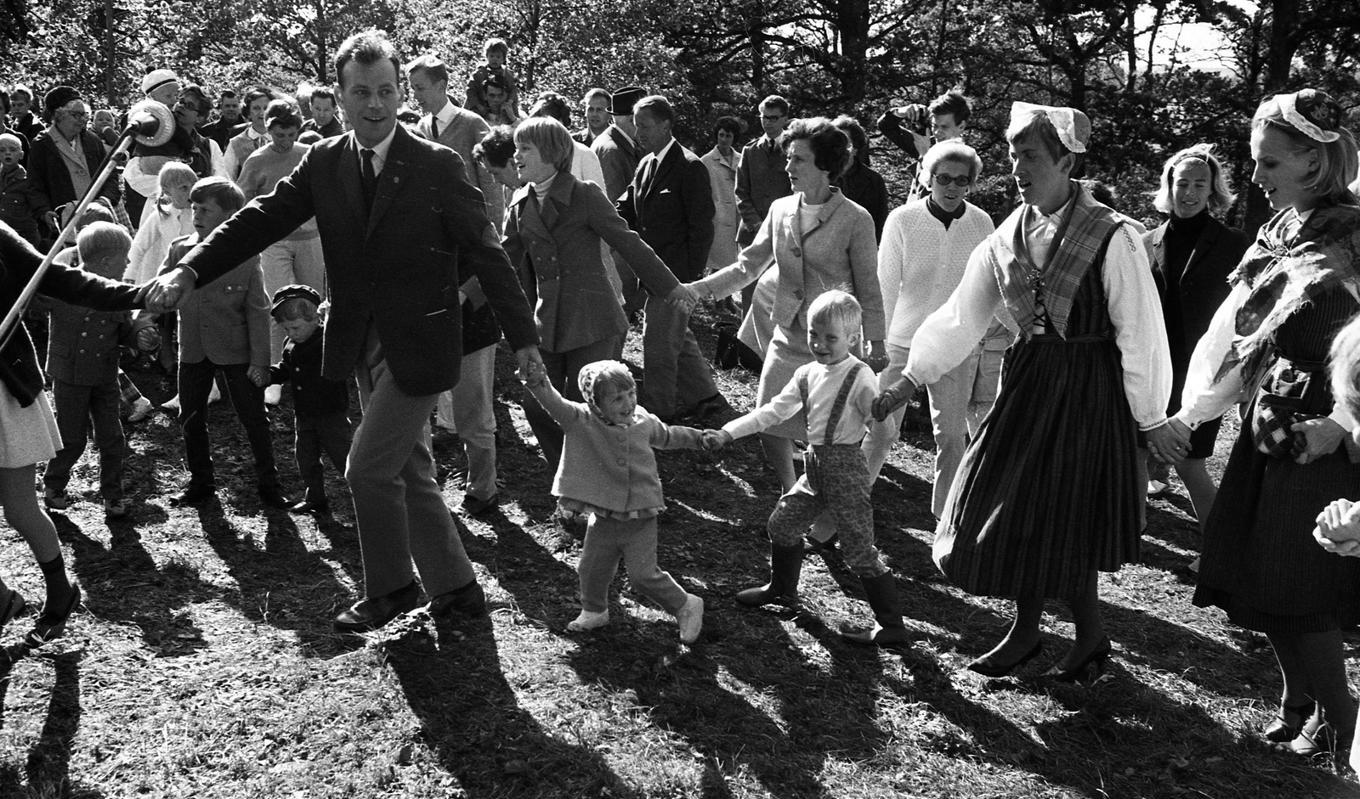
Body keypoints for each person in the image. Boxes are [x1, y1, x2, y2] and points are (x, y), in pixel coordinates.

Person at [146, 30, 541, 634]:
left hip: (425, 343)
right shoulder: (325, 161)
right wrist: (192, 267)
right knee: (408, 470)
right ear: (338, 95)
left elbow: (488, 253)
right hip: (358, 340)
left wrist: (527, 342)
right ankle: (459, 588)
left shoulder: (436, 163)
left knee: (366, 469)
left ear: (399, 89)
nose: (376, 104)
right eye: (362, 92)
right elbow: (261, 217)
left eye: (386, 90)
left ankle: (392, 587)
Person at [872, 102, 1173, 681]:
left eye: (1029, 156)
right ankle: (1030, 631)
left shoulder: (1113, 234)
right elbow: (961, 315)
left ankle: (1084, 638)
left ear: (1065, 159)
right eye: (1013, 156)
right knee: (1016, 505)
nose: (1017, 168)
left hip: (1089, 386)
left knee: (1066, 511)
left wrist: (1152, 415)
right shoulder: (1008, 233)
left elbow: (1140, 327)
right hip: (1030, 380)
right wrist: (910, 378)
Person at [1166, 89, 1360, 757]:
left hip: (1324, 443)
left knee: (1301, 587)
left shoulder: (1354, 233)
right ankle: (1299, 700)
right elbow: (1235, 333)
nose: (1255, 178)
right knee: (1255, 575)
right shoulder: (1279, 229)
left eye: (1270, 164)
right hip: (1268, 424)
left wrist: (1341, 421)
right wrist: (1193, 413)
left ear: (1313, 161)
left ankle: (1344, 724)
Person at [687, 117, 886, 493]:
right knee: (768, 418)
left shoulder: (856, 219)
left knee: (828, 432)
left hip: (835, 344)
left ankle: (817, 498)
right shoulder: (780, 209)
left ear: (825, 166)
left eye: (799, 160)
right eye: (788, 158)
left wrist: (876, 342)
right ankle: (789, 490)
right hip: (788, 333)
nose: (788, 167)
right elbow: (748, 266)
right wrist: (699, 289)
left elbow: (869, 287)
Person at [704, 289, 907, 644]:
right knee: (782, 525)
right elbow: (773, 411)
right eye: (814, 334)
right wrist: (728, 432)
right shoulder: (807, 373)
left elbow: (883, 429)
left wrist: (880, 413)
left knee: (859, 550)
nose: (820, 344)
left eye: (831, 337)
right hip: (815, 464)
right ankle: (782, 591)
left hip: (845, 468)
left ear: (853, 338)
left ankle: (891, 626)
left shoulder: (860, 375)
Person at [503, 117, 692, 468]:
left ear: (551, 152)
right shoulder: (519, 205)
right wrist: (463, 296)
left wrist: (671, 287)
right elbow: (500, 266)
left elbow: (628, 243)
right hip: (547, 323)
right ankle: (571, 478)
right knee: (538, 404)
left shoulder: (585, 194)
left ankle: (596, 485)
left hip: (593, 318)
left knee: (586, 406)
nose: (516, 155)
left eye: (524, 148)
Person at [0, 218, 147, 648]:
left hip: (5, 385)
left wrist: (132, 294)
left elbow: (54, 276)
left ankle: (60, 592)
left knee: (19, 506)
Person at [522, 358, 706, 643]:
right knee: (591, 568)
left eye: (631, 393)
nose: (628, 403)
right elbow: (553, 403)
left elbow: (669, 436)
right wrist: (536, 381)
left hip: (641, 515)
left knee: (642, 575)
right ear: (596, 403)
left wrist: (700, 438)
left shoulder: (644, 420)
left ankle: (685, 605)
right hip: (604, 516)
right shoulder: (580, 419)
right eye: (617, 398)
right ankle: (595, 611)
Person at [866, 140, 1000, 521]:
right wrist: (876, 341)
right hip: (900, 342)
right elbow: (885, 284)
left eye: (962, 180)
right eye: (944, 178)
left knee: (952, 438)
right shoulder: (903, 220)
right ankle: (847, 510)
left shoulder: (981, 223)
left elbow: (988, 287)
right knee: (881, 429)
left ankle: (945, 522)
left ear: (971, 183)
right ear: (928, 178)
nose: (952, 187)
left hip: (954, 345)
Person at [156, 177, 287, 509]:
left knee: (253, 418)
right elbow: (161, 292)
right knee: (191, 417)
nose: (197, 215)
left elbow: (259, 311)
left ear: (231, 216)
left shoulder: (244, 256)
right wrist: (161, 338)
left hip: (236, 350)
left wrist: (261, 362)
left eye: (206, 209)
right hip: (194, 349)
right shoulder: (180, 249)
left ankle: (269, 485)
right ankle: (201, 482)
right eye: (195, 207)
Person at [1143, 145, 1251, 532]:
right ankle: (1126, 533)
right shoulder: (1145, 241)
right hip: (1154, 370)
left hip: (1203, 376)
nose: (1188, 192)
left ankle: (1220, 549)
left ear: (1212, 190)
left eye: (1199, 184)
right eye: (1181, 182)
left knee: (1190, 463)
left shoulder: (1236, 244)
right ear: (1168, 187)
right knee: (1137, 452)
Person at [616, 95, 725, 423]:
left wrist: (688, 284)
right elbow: (627, 206)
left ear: (666, 125)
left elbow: (702, 229)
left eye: (645, 126)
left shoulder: (690, 167)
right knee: (678, 337)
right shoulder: (646, 163)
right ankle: (706, 398)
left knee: (659, 345)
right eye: (636, 126)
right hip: (650, 273)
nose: (639, 133)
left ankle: (659, 414)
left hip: (675, 277)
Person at [41, 222, 157, 518]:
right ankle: (54, 485)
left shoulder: (116, 294)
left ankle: (112, 494)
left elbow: (128, 328)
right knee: (72, 439)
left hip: (105, 377)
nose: (129, 263)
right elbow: (31, 296)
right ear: (106, 262)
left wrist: (141, 338)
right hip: (70, 378)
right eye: (125, 257)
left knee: (112, 439)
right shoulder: (65, 289)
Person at [237, 99, 327, 404]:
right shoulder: (257, 161)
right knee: (279, 304)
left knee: (312, 304)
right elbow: (243, 201)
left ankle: (315, 367)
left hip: (310, 238)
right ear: (268, 129)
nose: (286, 141)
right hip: (274, 241)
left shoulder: (309, 155)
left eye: (291, 134)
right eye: (280, 135)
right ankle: (276, 374)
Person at [267, 285, 351, 516]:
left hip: (330, 413)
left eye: (295, 327)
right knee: (305, 458)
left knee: (344, 457)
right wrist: (269, 375)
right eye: (286, 328)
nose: (291, 333)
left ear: (314, 318)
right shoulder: (291, 344)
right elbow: (286, 368)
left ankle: (366, 495)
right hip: (304, 414)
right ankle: (315, 497)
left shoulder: (326, 341)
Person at [405, 55, 501, 226]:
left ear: (441, 86)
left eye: (420, 88)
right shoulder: (422, 127)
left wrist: (493, 229)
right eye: (412, 89)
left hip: (472, 227)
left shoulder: (473, 124)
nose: (415, 95)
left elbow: (491, 183)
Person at [28, 87, 118, 238]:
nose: (82, 120)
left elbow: (110, 174)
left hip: (99, 220)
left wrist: (105, 200)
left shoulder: (92, 141)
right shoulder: (42, 144)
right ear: (58, 115)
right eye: (76, 115)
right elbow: (34, 185)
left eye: (84, 115)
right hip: (64, 225)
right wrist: (43, 211)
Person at [734, 95, 792, 249]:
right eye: (764, 117)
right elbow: (740, 192)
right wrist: (755, 223)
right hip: (751, 234)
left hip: (784, 232)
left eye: (773, 118)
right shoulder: (750, 150)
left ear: (785, 119)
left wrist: (778, 223)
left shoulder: (795, 149)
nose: (767, 122)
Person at [832, 115, 888, 240]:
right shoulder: (819, 176)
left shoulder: (873, 180)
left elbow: (880, 224)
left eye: (844, 143)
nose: (838, 147)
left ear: (856, 148)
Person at [700, 116, 742, 272]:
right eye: (721, 135)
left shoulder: (742, 160)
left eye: (728, 136)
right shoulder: (706, 161)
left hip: (738, 219)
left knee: (736, 267)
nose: (724, 139)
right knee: (716, 267)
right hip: (716, 221)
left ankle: (729, 296)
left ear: (734, 138)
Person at [0, 132, 47, 245]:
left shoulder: (28, 180)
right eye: (2, 150)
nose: (7, 153)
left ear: (21, 155)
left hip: (24, 236)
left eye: (12, 150)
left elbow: (38, 205)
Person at [222, 87, 273, 182]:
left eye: (266, 108)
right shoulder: (236, 143)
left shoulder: (282, 138)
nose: (262, 113)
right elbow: (227, 177)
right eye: (256, 108)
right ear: (248, 112)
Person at [465, 38, 521, 121]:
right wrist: (479, 106)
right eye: (491, 56)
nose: (494, 59)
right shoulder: (479, 73)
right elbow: (470, 91)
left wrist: (509, 101)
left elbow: (513, 89)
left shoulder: (507, 73)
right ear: (487, 56)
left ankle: (514, 122)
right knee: (470, 116)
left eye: (498, 57)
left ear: (503, 58)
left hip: (501, 105)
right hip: (481, 104)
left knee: (512, 112)